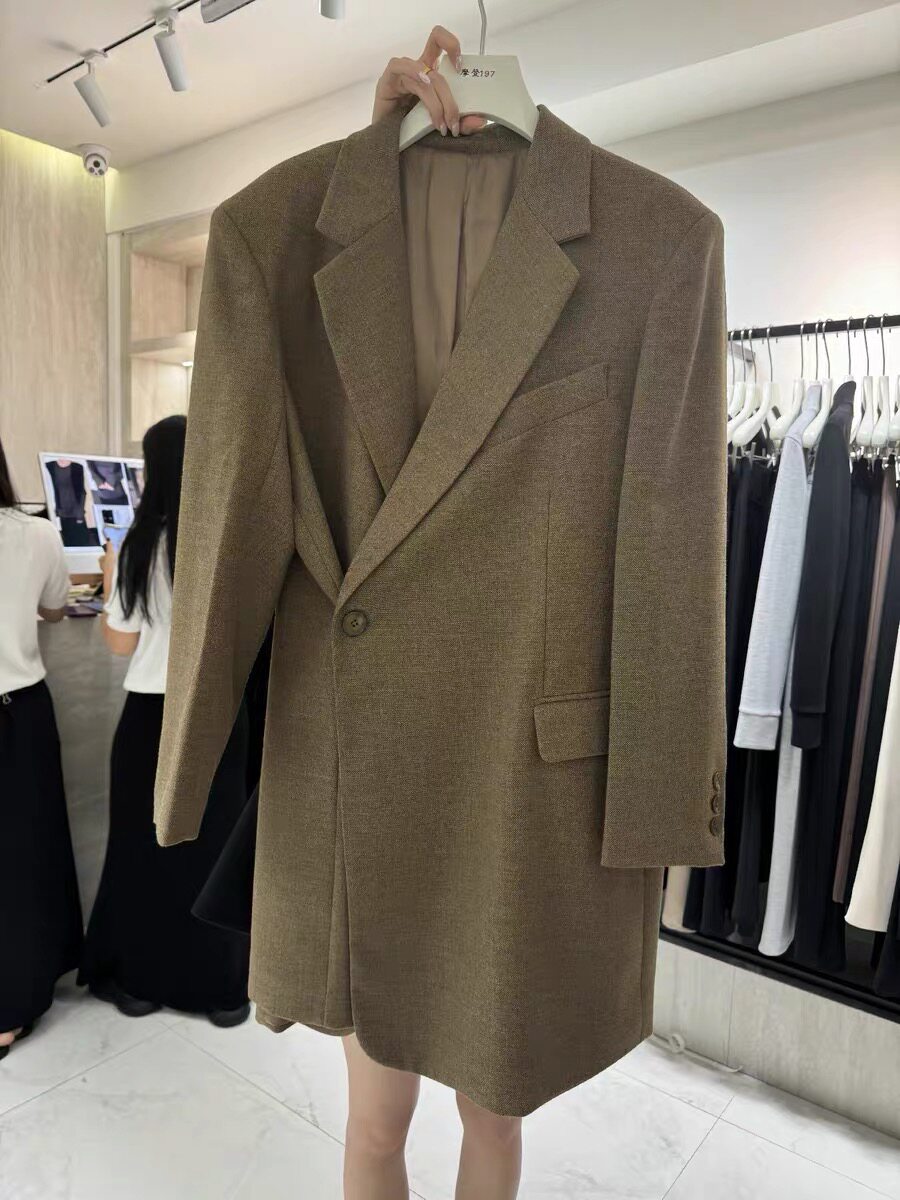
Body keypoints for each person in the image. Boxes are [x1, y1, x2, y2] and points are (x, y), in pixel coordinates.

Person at [337, 28, 524, 1200]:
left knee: (490, 1111)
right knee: (376, 1120)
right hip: (382, 753)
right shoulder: (351, 259)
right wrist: (375, 150)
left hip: (515, 763)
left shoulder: (602, 248)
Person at [77, 415, 252, 1026]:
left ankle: (141, 983)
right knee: (216, 850)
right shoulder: (231, 539)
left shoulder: (139, 544)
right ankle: (225, 992)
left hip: (150, 717)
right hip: (220, 718)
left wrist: (110, 582)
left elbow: (120, 644)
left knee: (143, 848)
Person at [0, 434, 83, 1059]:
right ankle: (12, 1004)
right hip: (18, 712)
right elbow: (55, 609)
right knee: (22, 858)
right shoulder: (36, 534)